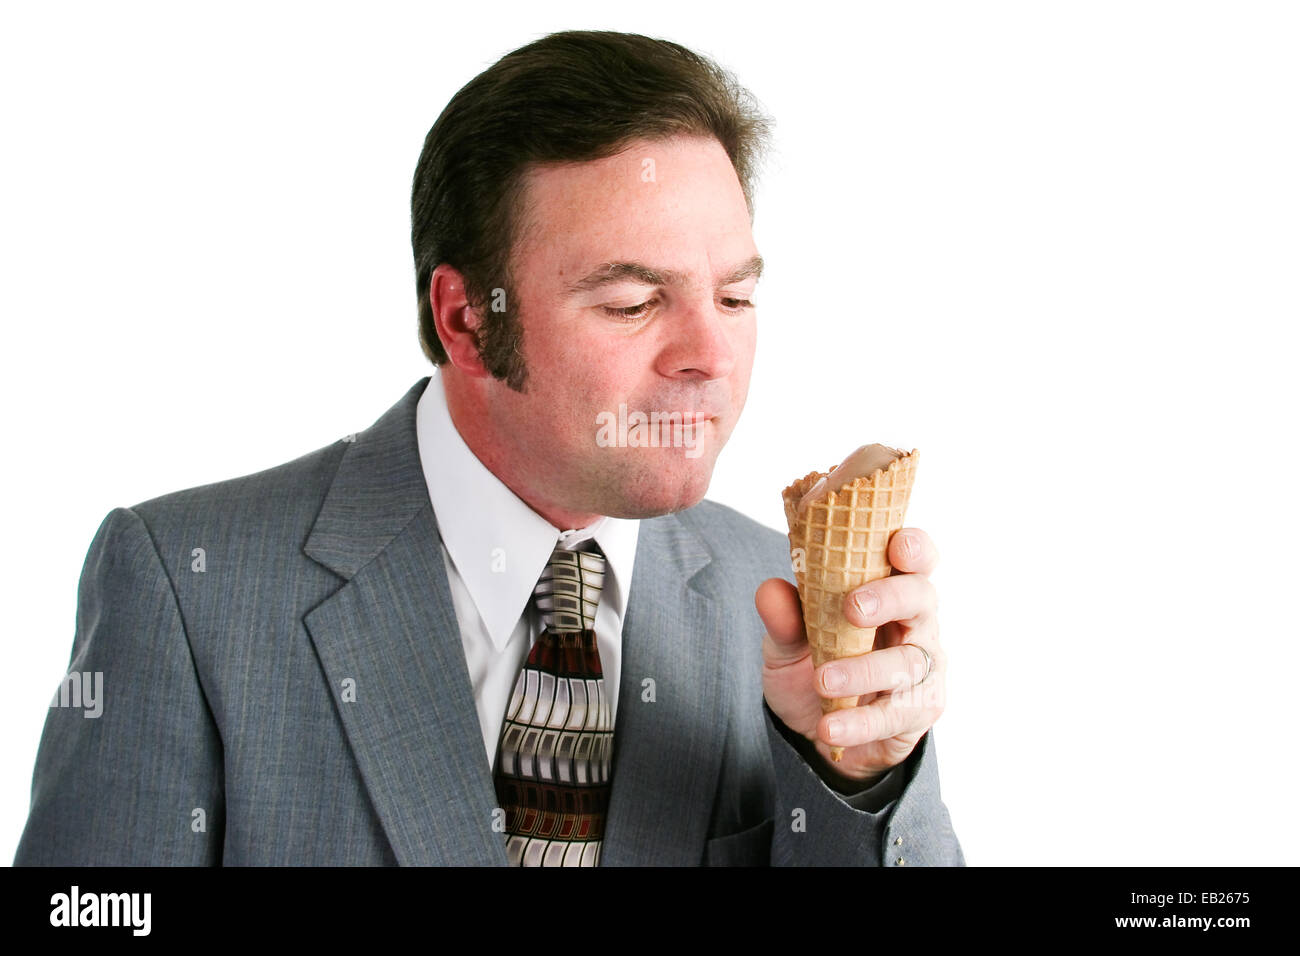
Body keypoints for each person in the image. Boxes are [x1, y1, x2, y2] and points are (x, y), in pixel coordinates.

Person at [15, 30, 962, 866]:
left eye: (736, 298)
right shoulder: (189, 588)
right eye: (632, 303)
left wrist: (858, 782)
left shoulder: (784, 605)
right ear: (466, 318)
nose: (710, 358)